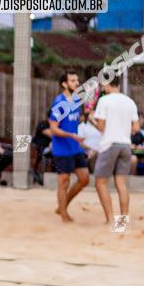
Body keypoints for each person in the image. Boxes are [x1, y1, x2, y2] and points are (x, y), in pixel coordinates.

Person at [92, 80, 140, 224]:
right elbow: (136, 128)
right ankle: (122, 222)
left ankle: (110, 219)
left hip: (109, 144)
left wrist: (92, 120)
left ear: (107, 84)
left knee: (100, 182)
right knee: (121, 184)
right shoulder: (130, 102)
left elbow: (101, 127)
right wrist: (123, 131)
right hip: (125, 145)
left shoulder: (104, 101)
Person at [49, 71, 90, 222]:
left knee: (84, 179)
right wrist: (72, 135)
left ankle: (62, 206)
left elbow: (72, 121)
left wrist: (86, 116)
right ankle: (64, 213)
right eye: (73, 81)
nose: (77, 83)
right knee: (64, 181)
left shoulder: (75, 101)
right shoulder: (59, 102)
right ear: (64, 84)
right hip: (62, 149)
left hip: (74, 147)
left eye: (77, 80)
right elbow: (53, 128)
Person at [77, 109, 102, 174]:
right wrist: (90, 149)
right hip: (88, 151)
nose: (95, 116)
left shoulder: (101, 128)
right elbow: (79, 142)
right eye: (93, 114)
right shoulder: (82, 126)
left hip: (101, 151)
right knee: (92, 154)